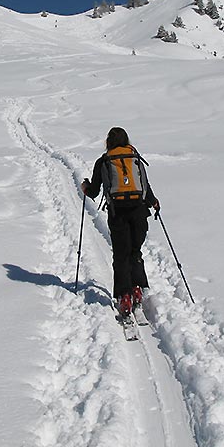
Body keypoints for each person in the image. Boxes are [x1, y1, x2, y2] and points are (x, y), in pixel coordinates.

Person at [81, 127, 160, 317]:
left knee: (121, 253)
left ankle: (124, 295)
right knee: (135, 250)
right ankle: (137, 288)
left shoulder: (104, 161)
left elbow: (93, 191)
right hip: (140, 212)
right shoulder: (134, 157)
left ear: (109, 142)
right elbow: (145, 186)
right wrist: (154, 202)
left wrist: (85, 187)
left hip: (118, 214)